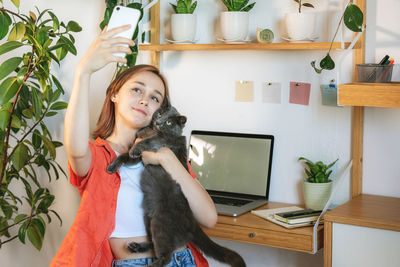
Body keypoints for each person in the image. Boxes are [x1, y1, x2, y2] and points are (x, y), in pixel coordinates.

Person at [50, 24, 217, 267]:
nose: (144, 100)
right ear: (114, 94)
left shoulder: (166, 154)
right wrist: (83, 72)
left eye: (154, 97)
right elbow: (75, 148)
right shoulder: (99, 156)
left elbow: (209, 217)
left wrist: (170, 160)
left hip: (183, 259)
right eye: (136, 89)